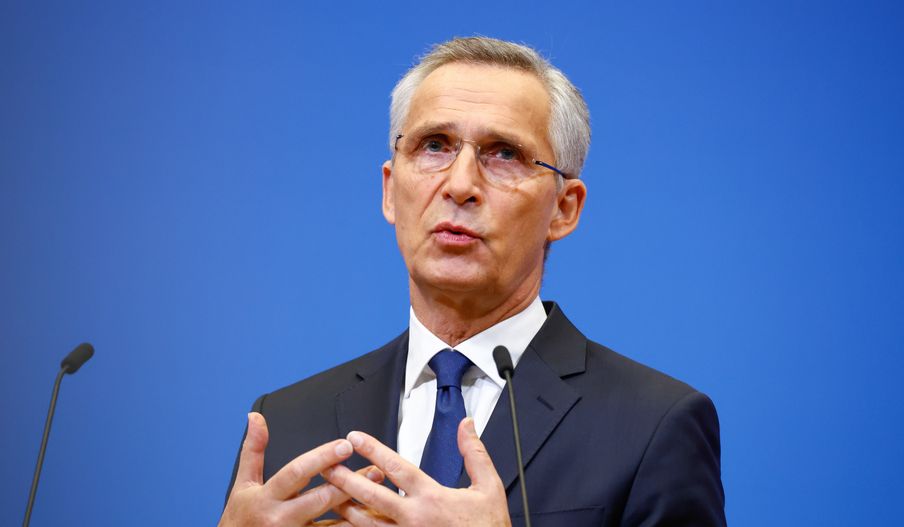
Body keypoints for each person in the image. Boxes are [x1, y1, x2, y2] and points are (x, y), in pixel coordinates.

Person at [219, 36, 726, 527]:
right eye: (434, 145)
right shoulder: (284, 421)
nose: (460, 185)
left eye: (503, 153)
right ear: (391, 191)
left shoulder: (655, 425)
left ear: (564, 208)